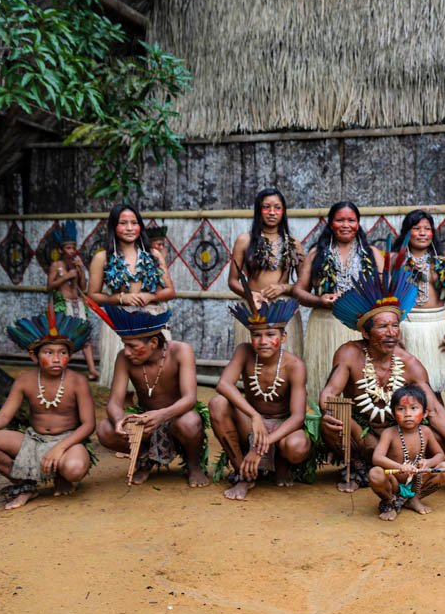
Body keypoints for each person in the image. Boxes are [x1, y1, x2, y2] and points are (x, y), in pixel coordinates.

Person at [318, 254, 445, 492]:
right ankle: (355, 467)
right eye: (383, 327)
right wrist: (328, 411)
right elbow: (330, 393)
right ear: (366, 333)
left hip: (398, 436)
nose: (391, 333)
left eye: (395, 326)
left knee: (436, 435)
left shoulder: (410, 364)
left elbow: (434, 408)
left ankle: (401, 477)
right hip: (361, 431)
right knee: (331, 420)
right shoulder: (349, 354)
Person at [0, 305, 95, 509]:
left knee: (74, 468)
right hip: (33, 440)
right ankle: (25, 485)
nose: (56, 359)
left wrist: (59, 448)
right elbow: (4, 417)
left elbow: (88, 424)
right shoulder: (24, 381)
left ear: (70, 355)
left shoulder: (77, 381)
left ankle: (62, 477)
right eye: (48, 352)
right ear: (34, 356)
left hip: (68, 442)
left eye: (62, 352)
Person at [91, 304, 210, 487]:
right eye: (125, 345)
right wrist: (119, 422)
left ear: (153, 343)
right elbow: (114, 403)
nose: (127, 352)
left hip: (177, 417)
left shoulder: (181, 351)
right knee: (105, 430)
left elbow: (189, 398)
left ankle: (193, 465)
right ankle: (145, 459)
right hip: (144, 420)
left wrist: (161, 415)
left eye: (132, 346)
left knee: (190, 422)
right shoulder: (124, 358)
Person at [210, 295, 312, 499]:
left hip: (281, 425)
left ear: (283, 337)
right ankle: (244, 472)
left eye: (270, 334)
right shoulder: (244, 352)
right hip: (250, 422)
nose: (263, 341)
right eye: (256, 335)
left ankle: (280, 464)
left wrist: (260, 448)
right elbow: (223, 384)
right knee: (217, 404)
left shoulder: (294, 365)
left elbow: (297, 417)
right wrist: (254, 416)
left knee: (297, 446)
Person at [293, 201, 384, 399]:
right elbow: (299, 291)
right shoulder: (317, 253)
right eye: (339, 220)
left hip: (358, 326)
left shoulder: (373, 254)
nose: (345, 225)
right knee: (324, 379)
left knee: (358, 384)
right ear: (330, 224)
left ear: (358, 224)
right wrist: (320, 300)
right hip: (324, 325)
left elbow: (382, 292)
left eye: (351, 220)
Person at [87, 204, 176, 388]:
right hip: (121, 321)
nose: (129, 228)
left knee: (156, 381)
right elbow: (92, 296)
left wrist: (150, 296)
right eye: (123, 223)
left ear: (140, 226)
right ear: (114, 226)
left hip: (152, 319)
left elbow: (170, 291)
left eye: (134, 223)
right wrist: (120, 298)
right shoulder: (102, 258)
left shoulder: (153, 255)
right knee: (124, 385)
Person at [228, 189, 306, 357]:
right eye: (266, 207)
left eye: (277, 208)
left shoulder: (293, 244)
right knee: (252, 365)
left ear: (283, 211)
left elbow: (305, 285)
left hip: (283, 309)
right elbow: (233, 281)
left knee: (283, 367)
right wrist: (252, 295)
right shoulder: (244, 240)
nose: (272, 212)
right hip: (253, 307)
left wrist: (284, 288)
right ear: (258, 210)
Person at [396, 210, 445, 398]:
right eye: (417, 229)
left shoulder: (443, 263)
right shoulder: (396, 262)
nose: (423, 233)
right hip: (406, 327)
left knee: (433, 389)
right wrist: (394, 328)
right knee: (403, 386)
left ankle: (435, 422)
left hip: (436, 328)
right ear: (407, 232)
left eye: (427, 228)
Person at [367, 385, 445, 520]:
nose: (407, 414)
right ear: (394, 413)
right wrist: (400, 467)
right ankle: (391, 501)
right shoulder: (389, 433)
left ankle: (414, 499)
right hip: (394, 482)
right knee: (375, 473)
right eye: (401, 409)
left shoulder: (425, 431)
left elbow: (440, 455)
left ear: (424, 413)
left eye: (414, 408)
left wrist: (428, 462)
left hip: (417, 482)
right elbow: (377, 458)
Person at [45, 220, 97, 379]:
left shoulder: (76, 264)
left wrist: (81, 270)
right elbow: (48, 287)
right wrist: (66, 277)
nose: (72, 251)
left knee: (85, 339)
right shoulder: (56, 265)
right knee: (64, 339)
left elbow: (83, 287)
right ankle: (60, 368)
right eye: (68, 248)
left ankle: (92, 370)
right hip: (63, 306)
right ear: (61, 250)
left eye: (74, 248)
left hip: (78, 305)